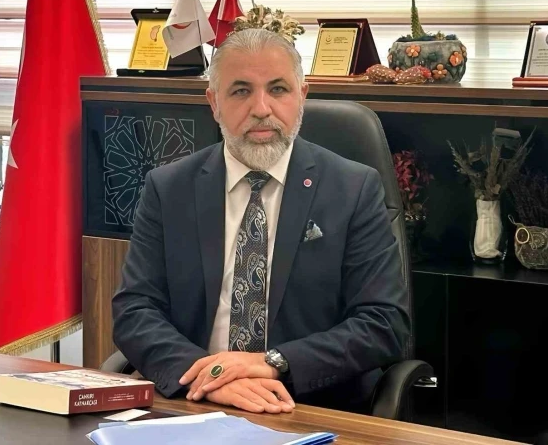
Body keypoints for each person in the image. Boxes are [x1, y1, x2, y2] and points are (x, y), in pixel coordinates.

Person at [112, 28, 410, 415]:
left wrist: (271, 362)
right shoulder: (169, 188)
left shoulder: (353, 188)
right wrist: (211, 378)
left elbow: (383, 323)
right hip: (195, 401)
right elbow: (135, 310)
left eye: (278, 89)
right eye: (241, 91)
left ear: (301, 96)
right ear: (214, 102)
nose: (262, 108)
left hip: (307, 407)